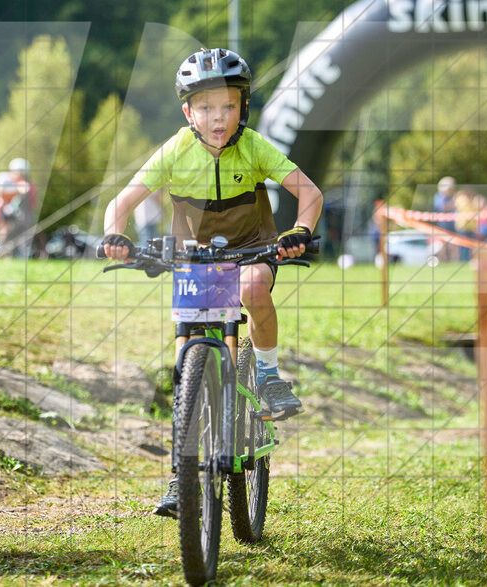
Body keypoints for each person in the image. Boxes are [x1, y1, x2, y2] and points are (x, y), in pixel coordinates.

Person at [101, 47, 323, 518]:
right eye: (205, 108)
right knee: (187, 366)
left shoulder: (254, 146)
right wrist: (115, 236)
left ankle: (266, 374)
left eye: (227, 105)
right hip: (195, 260)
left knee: (252, 288)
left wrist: (299, 231)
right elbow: (119, 203)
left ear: (243, 107)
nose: (217, 117)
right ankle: (181, 475)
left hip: (254, 250)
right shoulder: (176, 149)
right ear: (188, 112)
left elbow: (310, 193)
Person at [432, 176, 456, 261]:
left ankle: (454, 261)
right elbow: (443, 207)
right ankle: (443, 261)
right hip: (443, 225)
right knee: (443, 245)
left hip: (453, 224)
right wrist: (453, 204)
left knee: (454, 244)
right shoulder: (439, 197)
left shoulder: (451, 197)